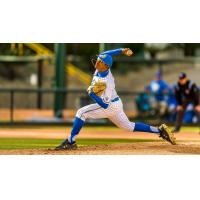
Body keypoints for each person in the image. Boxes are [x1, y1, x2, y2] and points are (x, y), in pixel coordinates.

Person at [55, 48, 176, 150]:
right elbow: (108, 53)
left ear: (106, 66)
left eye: (100, 62)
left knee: (81, 113)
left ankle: (71, 141)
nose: (97, 63)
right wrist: (122, 50)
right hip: (116, 103)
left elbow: (105, 106)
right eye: (98, 60)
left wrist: (92, 95)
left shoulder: (107, 82)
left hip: (110, 105)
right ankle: (159, 131)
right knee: (128, 126)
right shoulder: (101, 68)